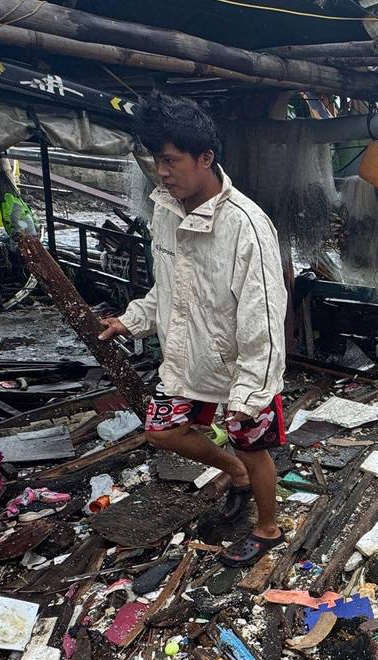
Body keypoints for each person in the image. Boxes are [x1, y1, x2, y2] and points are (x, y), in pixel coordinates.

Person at [98, 93, 287, 567]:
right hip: (187, 354)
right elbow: (167, 287)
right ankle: (234, 473)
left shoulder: (246, 225)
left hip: (241, 361)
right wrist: (134, 319)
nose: (161, 172)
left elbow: (264, 316)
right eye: (155, 160)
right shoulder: (165, 210)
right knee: (161, 431)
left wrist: (251, 392)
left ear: (205, 158)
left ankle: (268, 528)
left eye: (170, 160)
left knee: (256, 445)